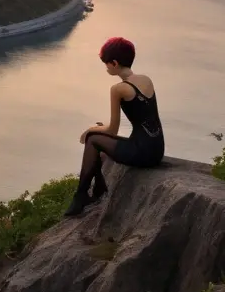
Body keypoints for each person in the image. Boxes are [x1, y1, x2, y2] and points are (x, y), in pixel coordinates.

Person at [64, 36, 165, 217]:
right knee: (98, 134)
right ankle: (99, 187)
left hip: (142, 153)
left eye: (107, 64)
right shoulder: (146, 79)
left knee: (93, 139)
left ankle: (81, 196)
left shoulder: (119, 89)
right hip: (156, 149)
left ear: (115, 63)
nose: (106, 68)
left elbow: (112, 130)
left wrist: (90, 130)